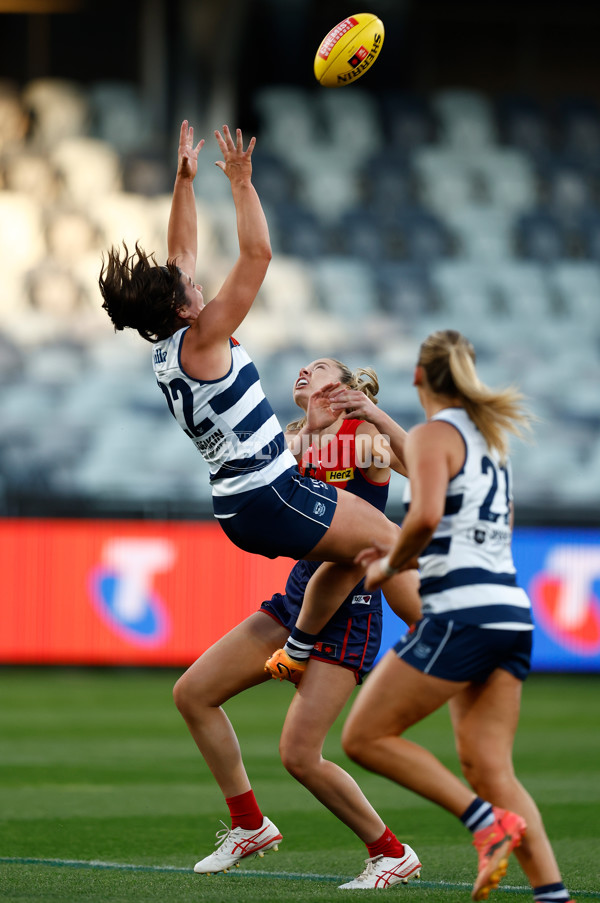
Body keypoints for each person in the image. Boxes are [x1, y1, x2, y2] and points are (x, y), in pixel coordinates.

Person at [98, 120, 408, 686]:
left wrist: (184, 182)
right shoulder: (206, 336)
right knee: (390, 539)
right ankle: (444, 655)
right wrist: (241, 182)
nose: (195, 281)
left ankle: (301, 643)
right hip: (269, 493)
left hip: (239, 501)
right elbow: (258, 254)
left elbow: (183, 251)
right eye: (188, 286)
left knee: (356, 552)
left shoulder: (170, 342)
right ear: (185, 309)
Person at [341, 329, 575, 903]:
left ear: (418, 377)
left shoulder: (431, 436)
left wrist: (387, 565)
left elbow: (420, 517)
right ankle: (553, 895)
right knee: (492, 770)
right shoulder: (492, 442)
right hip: (511, 615)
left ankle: (484, 824)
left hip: (460, 613)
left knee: (365, 736)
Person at [172, 353, 422, 887]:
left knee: (300, 755)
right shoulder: (289, 440)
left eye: (322, 367)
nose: (305, 372)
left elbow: (422, 470)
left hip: (348, 612)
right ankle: (249, 824)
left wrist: (375, 415)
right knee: (193, 693)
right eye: (303, 369)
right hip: (295, 602)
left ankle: (391, 853)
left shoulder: (361, 435)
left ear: (347, 386)